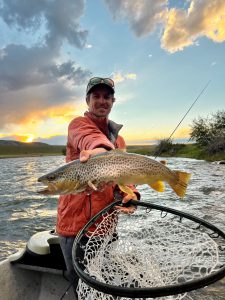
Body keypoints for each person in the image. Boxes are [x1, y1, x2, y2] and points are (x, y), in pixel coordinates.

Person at [56, 77, 139, 298]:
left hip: (107, 226)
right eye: (96, 96)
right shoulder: (78, 125)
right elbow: (90, 139)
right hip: (75, 227)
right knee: (83, 287)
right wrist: (101, 150)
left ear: (113, 101)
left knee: (106, 282)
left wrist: (131, 195)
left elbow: (125, 176)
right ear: (87, 100)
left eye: (106, 97)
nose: (101, 101)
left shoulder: (120, 141)